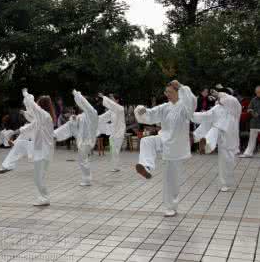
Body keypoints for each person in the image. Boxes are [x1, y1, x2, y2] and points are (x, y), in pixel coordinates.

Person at [134, 80, 196, 217]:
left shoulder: (184, 107)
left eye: (170, 92)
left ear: (177, 92)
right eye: (166, 92)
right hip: (164, 139)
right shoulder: (165, 107)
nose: (167, 94)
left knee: (171, 179)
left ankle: (171, 207)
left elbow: (192, 101)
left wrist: (181, 86)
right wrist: (143, 110)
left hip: (176, 147)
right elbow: (151, 114)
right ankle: (147, 167)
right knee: (146, 141)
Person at [0, 88, 56, 206]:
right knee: (20, 144)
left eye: (39, 104)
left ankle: (45, 198)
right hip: (38, 149)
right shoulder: (40, 119)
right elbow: (28, 127)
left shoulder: (45, 117)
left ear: (42, 106)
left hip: (44, 152)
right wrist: (14, 133)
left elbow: (34, 107)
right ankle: (8, 165)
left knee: (38, 177)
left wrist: (26, 95)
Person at [193, 89, 241, 192]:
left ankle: (226, 183)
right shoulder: (217, 107)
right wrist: (190, 114)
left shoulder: (233, 106)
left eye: (220, 98)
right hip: (219, 131)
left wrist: (219, 94)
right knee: (215, 129)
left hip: (230, 137)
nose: (219, 100)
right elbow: (205, 116)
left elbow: (230, 100)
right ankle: (205, 142)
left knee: (227, 161)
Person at [55, 90, 98, 186]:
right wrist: (74, 119)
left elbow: (86, 105)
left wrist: (77, 95)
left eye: (81, 103)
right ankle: (87, 178)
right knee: (82, 159)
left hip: (88, 140)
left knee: (83, 159)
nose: (79, 105)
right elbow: (73, 124)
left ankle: (87, 179)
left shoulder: (92, 113)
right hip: (83, 141)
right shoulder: (82, 115)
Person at [99, 94, 126, 172]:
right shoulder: (111, 111)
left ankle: (116, 166)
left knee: (116, 149)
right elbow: (102, 118)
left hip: (120, 132)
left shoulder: (121, 108)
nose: (111, 100)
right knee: (113, 150)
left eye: (112, 99)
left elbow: (113, 105)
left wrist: (104, 97)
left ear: (117, 100)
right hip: (113, 132)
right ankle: (116, 166)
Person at [239, 86, 260, 158]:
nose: (258, 93)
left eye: (259, 92)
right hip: (254, 122)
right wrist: (251, 111)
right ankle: (248, 153)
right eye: (257, 92)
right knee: (252, 139)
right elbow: (249, 108)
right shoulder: (254, 100)